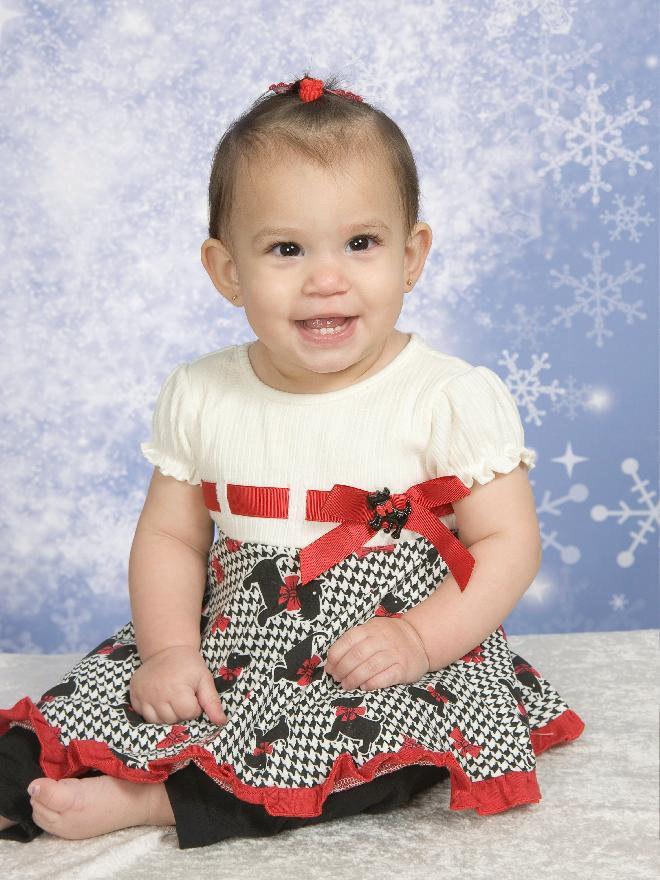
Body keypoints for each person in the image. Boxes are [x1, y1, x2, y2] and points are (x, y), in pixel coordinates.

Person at [0, 73, 585, 850]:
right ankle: (13, 784)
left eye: (361, 243)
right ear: (227, 271)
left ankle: (161, 801)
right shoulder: (202, 391)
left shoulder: (448, 396)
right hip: (231, 632)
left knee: (376, 751)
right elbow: (171, 538)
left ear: (412, 256)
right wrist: (171, 650)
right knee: (104, 695)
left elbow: (506, 544)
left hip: (383, 643)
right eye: (286, 249)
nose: (326, 280)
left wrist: (420, 640)